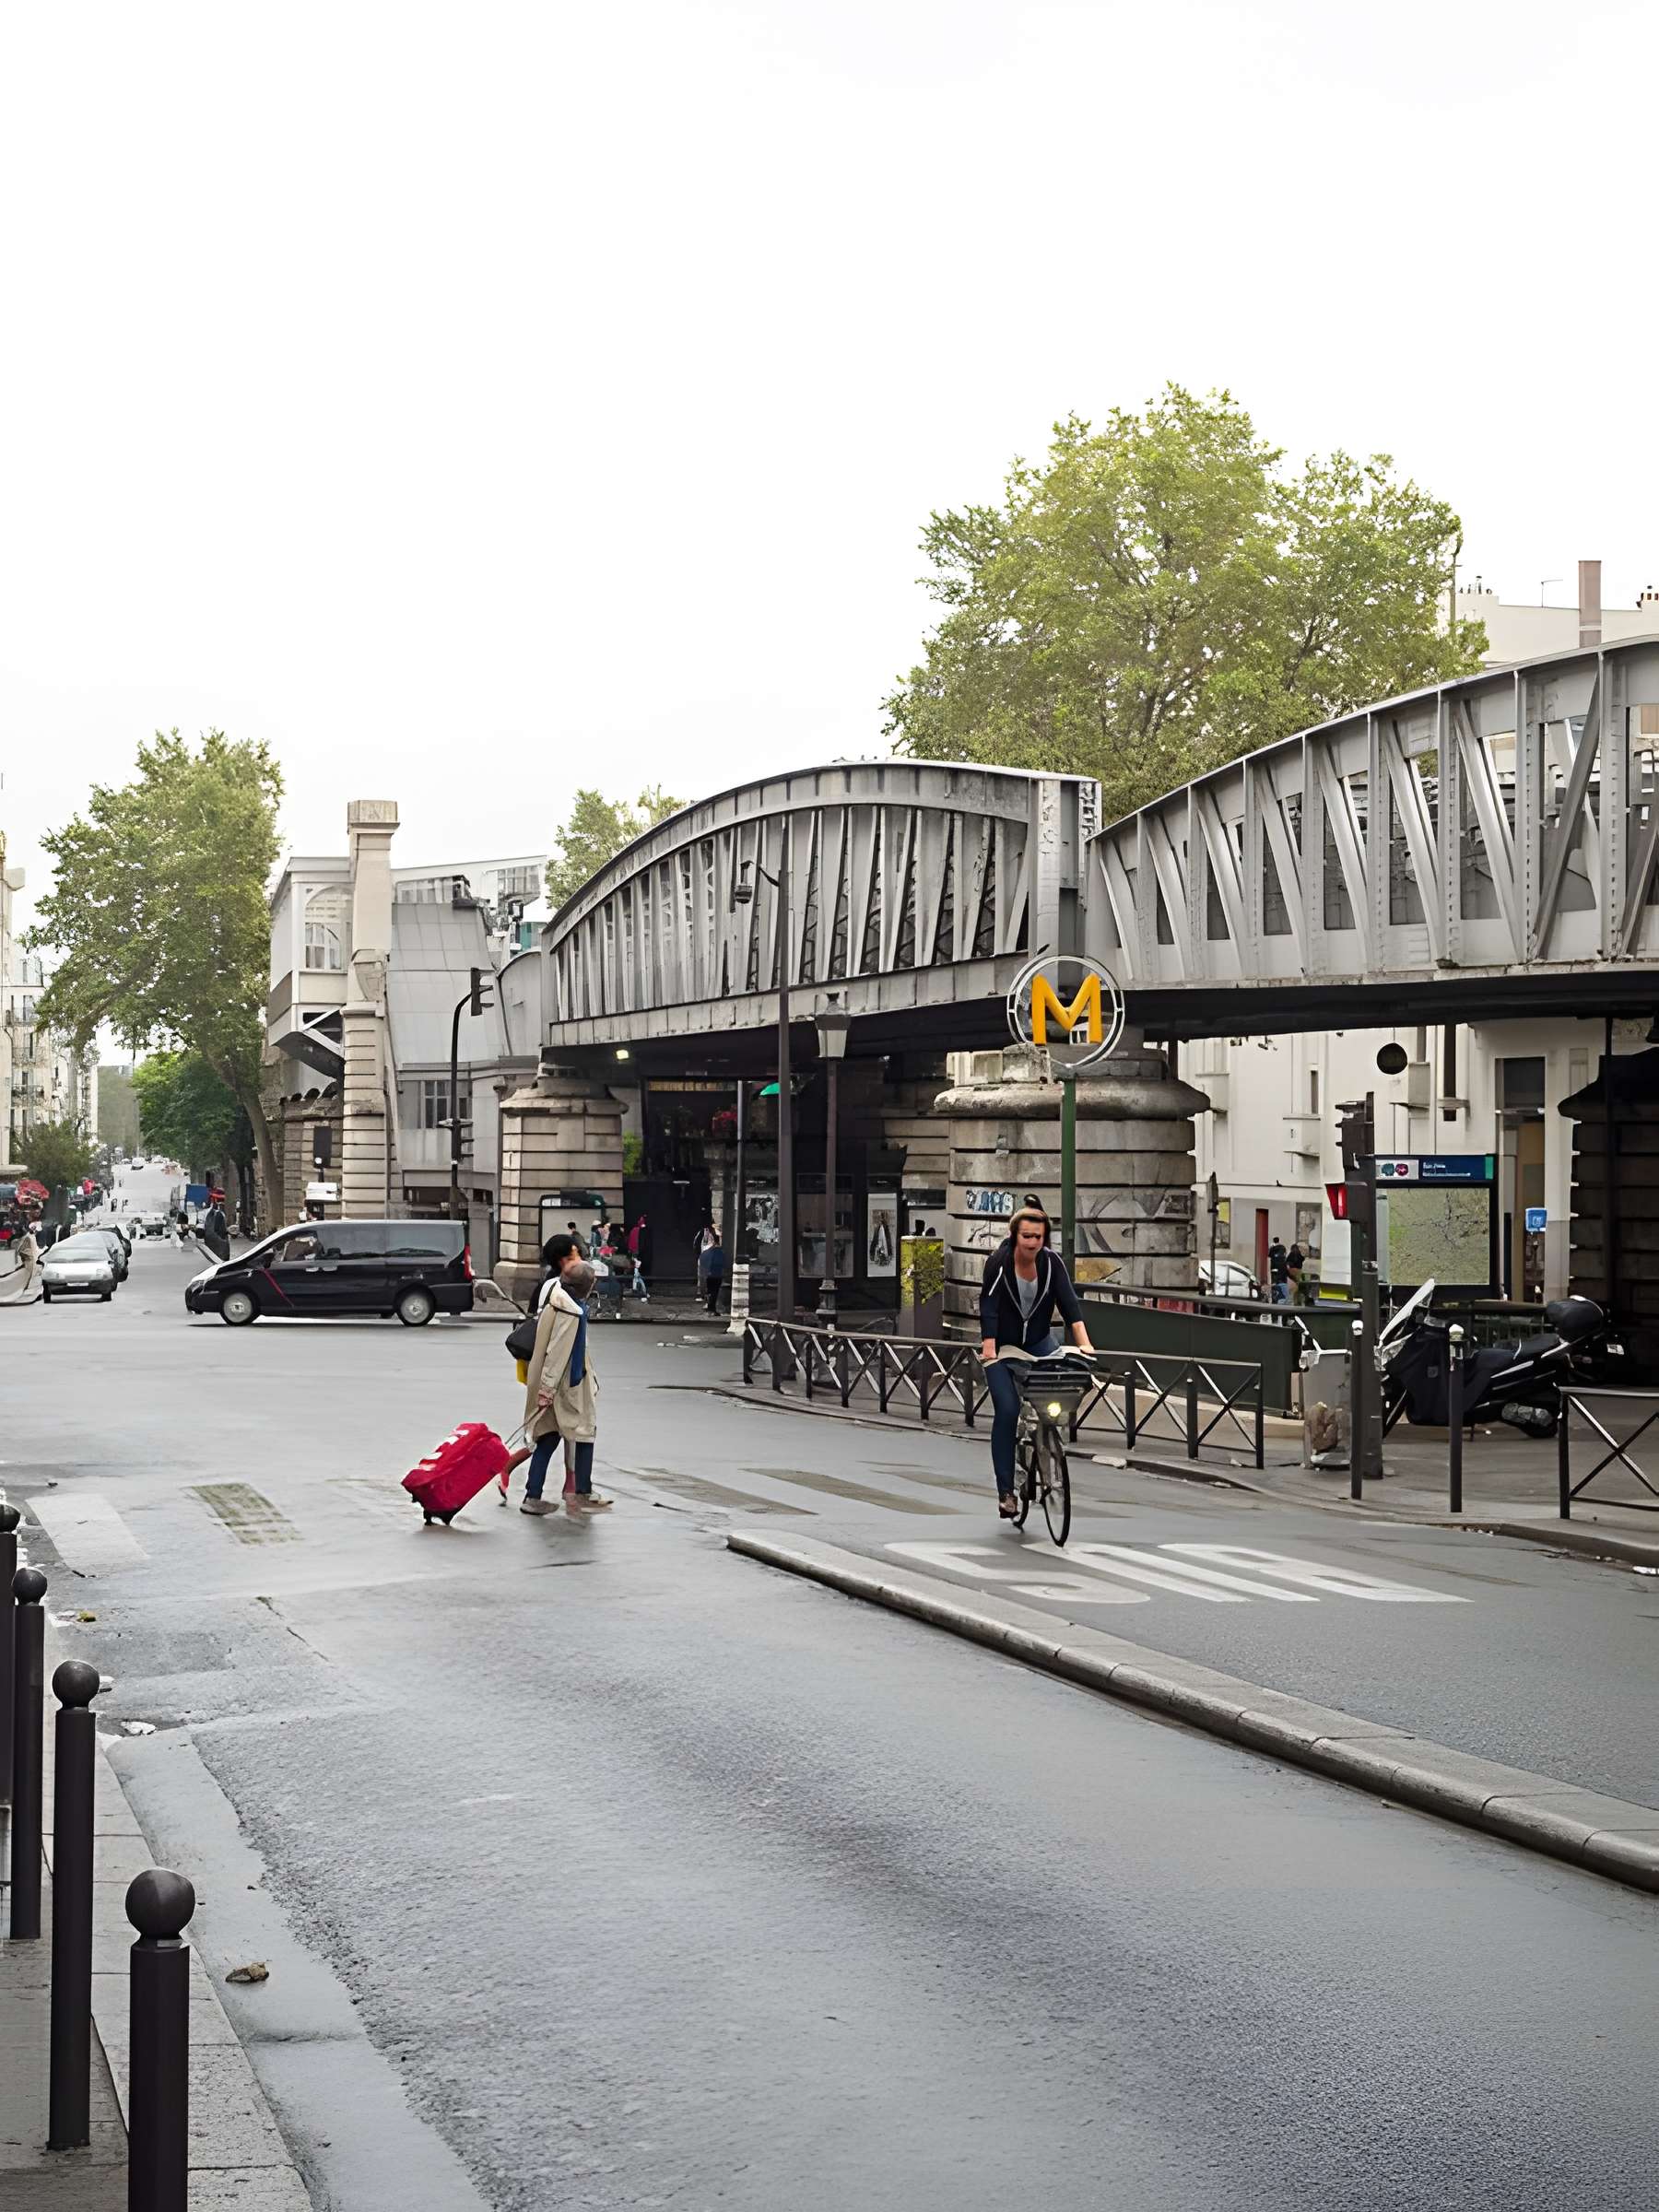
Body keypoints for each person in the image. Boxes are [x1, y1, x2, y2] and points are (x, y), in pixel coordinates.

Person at [979, 1205, 1094, 1520]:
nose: (1032, 1243)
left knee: (1057, 1395)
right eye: (1027, 1236)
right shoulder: (999, 1263)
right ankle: (1006, 1492)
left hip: (1041, 1344)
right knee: (1007, 1409)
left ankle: (1045, 1446)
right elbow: (988, 1304)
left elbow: (1069, 1304)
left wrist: (1084, 1344)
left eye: (1038, 1237)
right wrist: (989, 1345)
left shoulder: (1052, 1264)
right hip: (1003, 1347)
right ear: (1015, 1235)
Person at [520, 1260, 612, 1514]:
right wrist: (547, 1391)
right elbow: (558, 1352)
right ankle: (582, 1491)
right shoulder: (570, 1311)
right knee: (584, 1431)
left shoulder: (555, 1296)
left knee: (548, 1436)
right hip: (566, 1384)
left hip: (555, 1381)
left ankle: (533, 1495)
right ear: (587, 1286)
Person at [696, 1224, 726, 1315]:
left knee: (709, 1291)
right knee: (714, 1292)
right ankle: (711, 1309)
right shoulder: (719, 1252)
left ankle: (709, 1307)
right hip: (716, 1275)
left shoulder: (705, 1253)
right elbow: (722, 1263)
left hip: (707, 1275)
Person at [628, 1214, 652, 1298]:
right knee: (637, 1273)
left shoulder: (635, 1230)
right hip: (642, 1254)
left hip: (636, 1253)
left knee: (636, 1272)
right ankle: (641, 1290)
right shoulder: (648, 1231)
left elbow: (632, 1243)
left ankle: (638, 1289)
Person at [1267, 1236, 1289, 1304]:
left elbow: (1269, 1256)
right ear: (1279, 1240)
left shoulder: (1272, 1248)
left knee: (1274, 1282)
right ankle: (1282, 1296)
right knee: (1282, 1281)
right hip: (1282, 1268)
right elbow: (1285, 1255)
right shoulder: (1283, 1247)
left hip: (1274, 1267)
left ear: (1274, 1241)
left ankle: (1275, 1298)